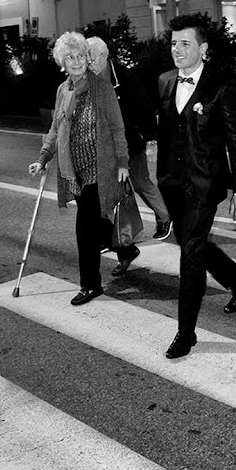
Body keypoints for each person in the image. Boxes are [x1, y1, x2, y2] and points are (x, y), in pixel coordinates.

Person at [155, 14, 236, 359]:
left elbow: (235, 141)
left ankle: (186, 333)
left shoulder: (221, 86)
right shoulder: (165, 81)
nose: (178, 50)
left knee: (190, 253)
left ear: (203, 48)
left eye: (185, 44)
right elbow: (166, 135)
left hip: (205, 183)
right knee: (193, 245)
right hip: (172, 183)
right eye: (173, 44)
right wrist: (159, 178)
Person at [28, 31, 129, 305]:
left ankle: (90, 285)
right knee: (96, 224)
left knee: (85, 228)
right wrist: (43, 157)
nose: (76, 61)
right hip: (75, 171)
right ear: (62, 61)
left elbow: (118, 128)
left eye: (80, 55)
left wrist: (122, 162)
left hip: (100, 166)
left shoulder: (102, 88)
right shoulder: (63, 90)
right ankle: (125, 248)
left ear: (87, 57)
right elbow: (55, 127)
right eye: (70, 57)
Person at [87, 37, 173, 277]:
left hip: (129, 143)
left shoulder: (125, 78)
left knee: (140, 181)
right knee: (103, 195)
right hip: (101, 148)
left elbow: (145, 108)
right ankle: (118, 244)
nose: (88, 63)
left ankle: (164, 218)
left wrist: (148, 138)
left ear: (104, 57)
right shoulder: (87, 78)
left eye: (91, 59)